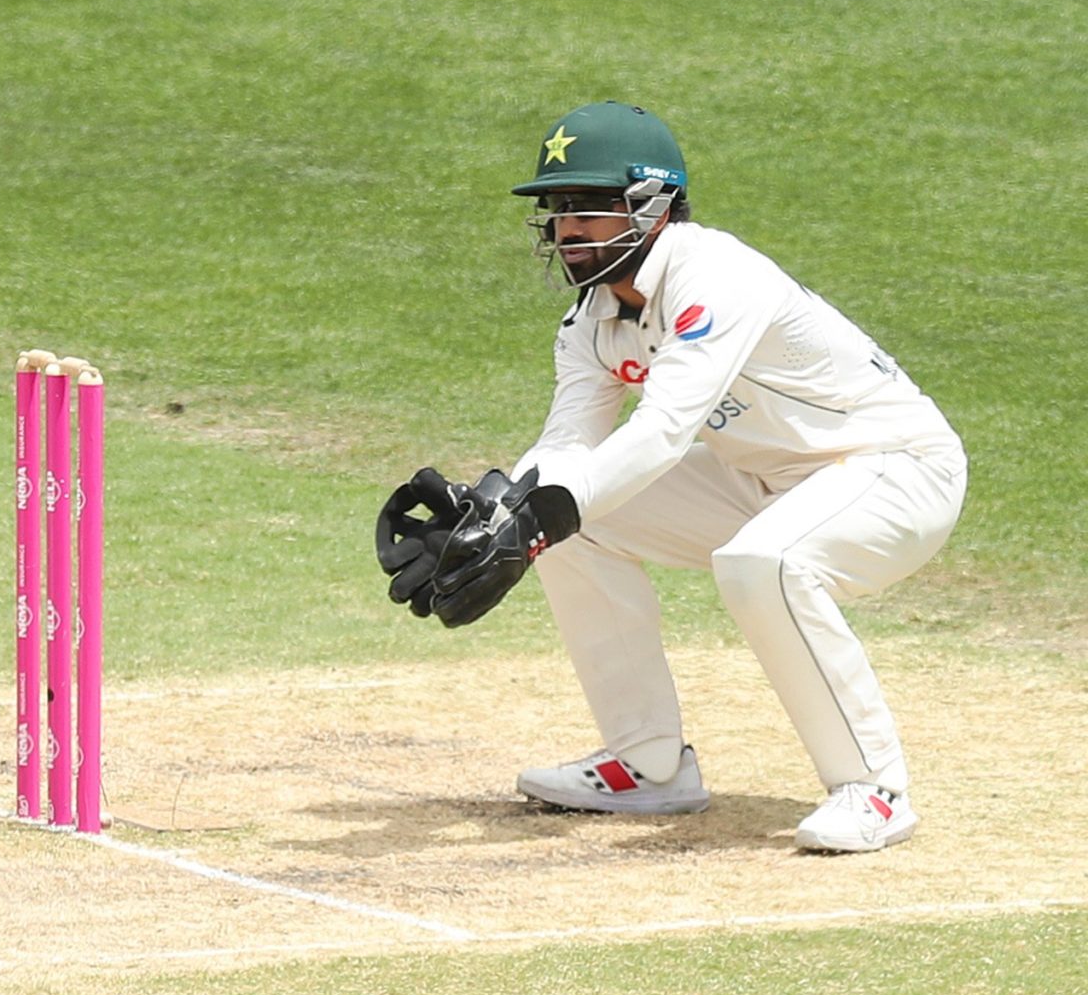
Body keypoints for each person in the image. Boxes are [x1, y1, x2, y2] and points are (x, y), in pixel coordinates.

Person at [376, 100, 965, 853]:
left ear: (651, 206)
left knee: (763, 563)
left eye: (587, 209)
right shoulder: (591, 320)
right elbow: (568, 447)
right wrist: (500, 514)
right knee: (564, 531)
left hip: (895, 471)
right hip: (760, 479)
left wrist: (539, 513)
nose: (566, 231)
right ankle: (648, 764)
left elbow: (660, 433)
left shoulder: (714, 275)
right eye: (557, 212)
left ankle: (874, 790)